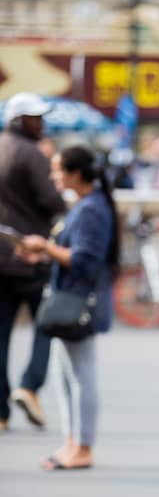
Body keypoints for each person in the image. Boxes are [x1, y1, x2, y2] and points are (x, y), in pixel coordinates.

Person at [17, 146, 119, 470]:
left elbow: (85, 260)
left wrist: (45, 247)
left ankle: (83, 445)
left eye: (58, 169)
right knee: (68, 376)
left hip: (79, 300)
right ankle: (73, 442)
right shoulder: (89, 205)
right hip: (73, 298)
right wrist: (45, 252)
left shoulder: (90, 208)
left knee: (80, 377)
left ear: (76, 173)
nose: (53, 176)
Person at [0, 92, 65, 432]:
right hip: (29, 255)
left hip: (1, 256)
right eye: (35, 118)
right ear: (19, 120)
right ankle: (29, 384)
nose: (41, 123)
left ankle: (1, 411)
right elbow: (50, 200)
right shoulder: (31, 153)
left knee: (1, 334)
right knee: (46, 324)